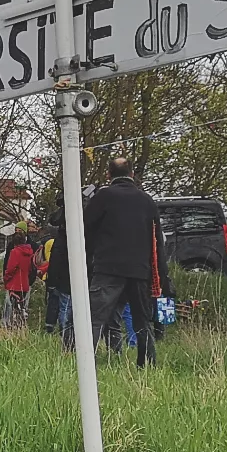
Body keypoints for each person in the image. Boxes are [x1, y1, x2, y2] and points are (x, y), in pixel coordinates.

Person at [82, 156, 170, 367]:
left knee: (94, 319)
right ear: (132, 174)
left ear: (108, 175)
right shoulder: (147, 201)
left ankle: (85, 363)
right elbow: (157, 241)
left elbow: (85, 229)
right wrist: (162, 277)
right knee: (142, 321)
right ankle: (147, 364)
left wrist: (89, 261)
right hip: (140, 270)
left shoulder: (103, 197)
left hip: (108, 268)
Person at [45, 208, 74, 347]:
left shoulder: (60, 242)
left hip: (63, 280)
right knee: (66, 308)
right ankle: (67, 335)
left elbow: (54, 261)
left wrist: (51, 281)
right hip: (69, 279)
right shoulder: (78, 238)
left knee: (64, 308)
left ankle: (65, 336)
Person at [2, 228, 37, 328]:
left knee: (11, 305)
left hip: (14, 283)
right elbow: (30, 268)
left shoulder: (15, 252)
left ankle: (9, 324)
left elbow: (11, 268)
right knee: (21, 305)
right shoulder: (30, 252)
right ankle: (21, 324)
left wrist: (6, 278)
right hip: (24, 283)